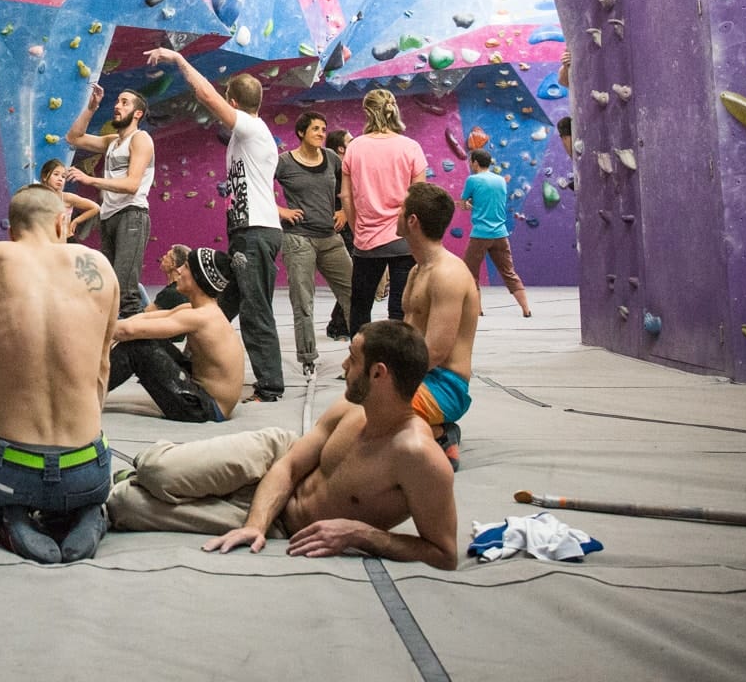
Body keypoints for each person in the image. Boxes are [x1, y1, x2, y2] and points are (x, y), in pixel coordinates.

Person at [105, 319, 458, 570]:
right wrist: (255, 524)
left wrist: (362, 535)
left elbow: (444, 553)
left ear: (379, 373)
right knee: (156, 470)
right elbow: (288, 466)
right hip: (276, 458)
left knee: (125, 506)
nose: (345, 365)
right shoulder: (351, 408)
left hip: (287, 526)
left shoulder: (418, 456)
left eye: (353, 357)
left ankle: (133, 483)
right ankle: (152, 469)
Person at [0, 185, 118, 564]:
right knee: (81, 484)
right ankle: (88, 510)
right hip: (88, 468)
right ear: (62, 223)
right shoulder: (98, 267)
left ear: (12, 230)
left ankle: (6, 523)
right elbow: (102, 368)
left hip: (11, 470)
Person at [142, 48, 284, 403]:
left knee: (255, 307)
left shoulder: (251, 128)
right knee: (220, 305)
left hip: (255, 231)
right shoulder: (246, 135)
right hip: (245, 231)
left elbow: (205, 95)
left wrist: (178, 59)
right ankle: (191, 362)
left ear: (233, 101)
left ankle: (270, 385)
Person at [322, 181, 478, 467]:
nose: (394, 215)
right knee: (342, 415)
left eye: (399, 209)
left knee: (357, 426)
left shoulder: (448, 274)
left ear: (412, 221)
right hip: (417, 376)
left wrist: (383, 382)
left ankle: (438, 433)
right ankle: (431, 433)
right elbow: (407, 336)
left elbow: (435, 352)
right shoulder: (417, 270)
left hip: (444, 386)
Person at [106, 246, 243, 422]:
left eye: (185, 266)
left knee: (136, 347)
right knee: (147, 337)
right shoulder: (195, 309)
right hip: (202, 395)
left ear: (198, 278)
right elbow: (143, 319)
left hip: (205, 408)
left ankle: (82, 392)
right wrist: (104, 325)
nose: (178, 270)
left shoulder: (201, 317)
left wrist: (89, 328)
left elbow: (128, 331)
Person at [64, 85, 155, 317]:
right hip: (109, 217)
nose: (117, 106)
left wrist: (90, 180)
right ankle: (114, 347)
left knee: (125, 292)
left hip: (131, 215)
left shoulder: (140, 139)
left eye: (124, 103)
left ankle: (140, 349)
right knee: (109, 288)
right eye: (117, 101)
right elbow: (73, 137)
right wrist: (91, 108)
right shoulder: (113, 142)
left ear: (138, 114)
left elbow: (132, 184)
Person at [342, 89, 428, 332]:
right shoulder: (411, 147)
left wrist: (356, 227)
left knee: (360, 307)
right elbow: (419, 198)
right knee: (400, 309)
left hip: (367, 240)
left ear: (367, 112)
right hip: (404, 240)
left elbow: (347, 197)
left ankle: (361, 364)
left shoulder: (354, 147)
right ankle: (397, 365)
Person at [275, 112, 353, 376]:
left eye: (323, 128)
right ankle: (308, 358)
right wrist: (280, 210)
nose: (321, 133)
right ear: (301, 133)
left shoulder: (332, 159)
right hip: (299, 240)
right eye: (316, 129)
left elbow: (348, 186)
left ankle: (363, 354)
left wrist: (344, 211)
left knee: (355, 295)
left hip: (331, 238)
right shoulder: (285, 162)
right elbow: (257, 186)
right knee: (303, 302)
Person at [460, 149, 531, 317]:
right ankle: (526, 309)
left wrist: (469, 204)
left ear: (476, 162)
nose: (470, 164)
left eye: (471, 161)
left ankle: (477, 310)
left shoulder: (472, 180)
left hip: (480, 234)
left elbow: (463, 204)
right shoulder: (500, 180)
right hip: (500, 233)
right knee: (509, 272)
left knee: (470, 273)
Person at [323, 129, 354, 342]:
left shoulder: (346, 168)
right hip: (340, 226)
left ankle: (338, 322)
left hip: (347, 224)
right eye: (350, 141)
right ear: (341, 148)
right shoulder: (336, 169)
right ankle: (340, 323)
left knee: (351, 277)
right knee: (349, 277)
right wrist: (342, 211)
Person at [39, 158, 99, 239]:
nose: (60, 179)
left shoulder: (67, 197)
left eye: (63, 176)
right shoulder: (37, 198)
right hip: (48, 241)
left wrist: (76, 221)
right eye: (56, 174)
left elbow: (95, 208)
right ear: (44, 177)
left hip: (66, 240)